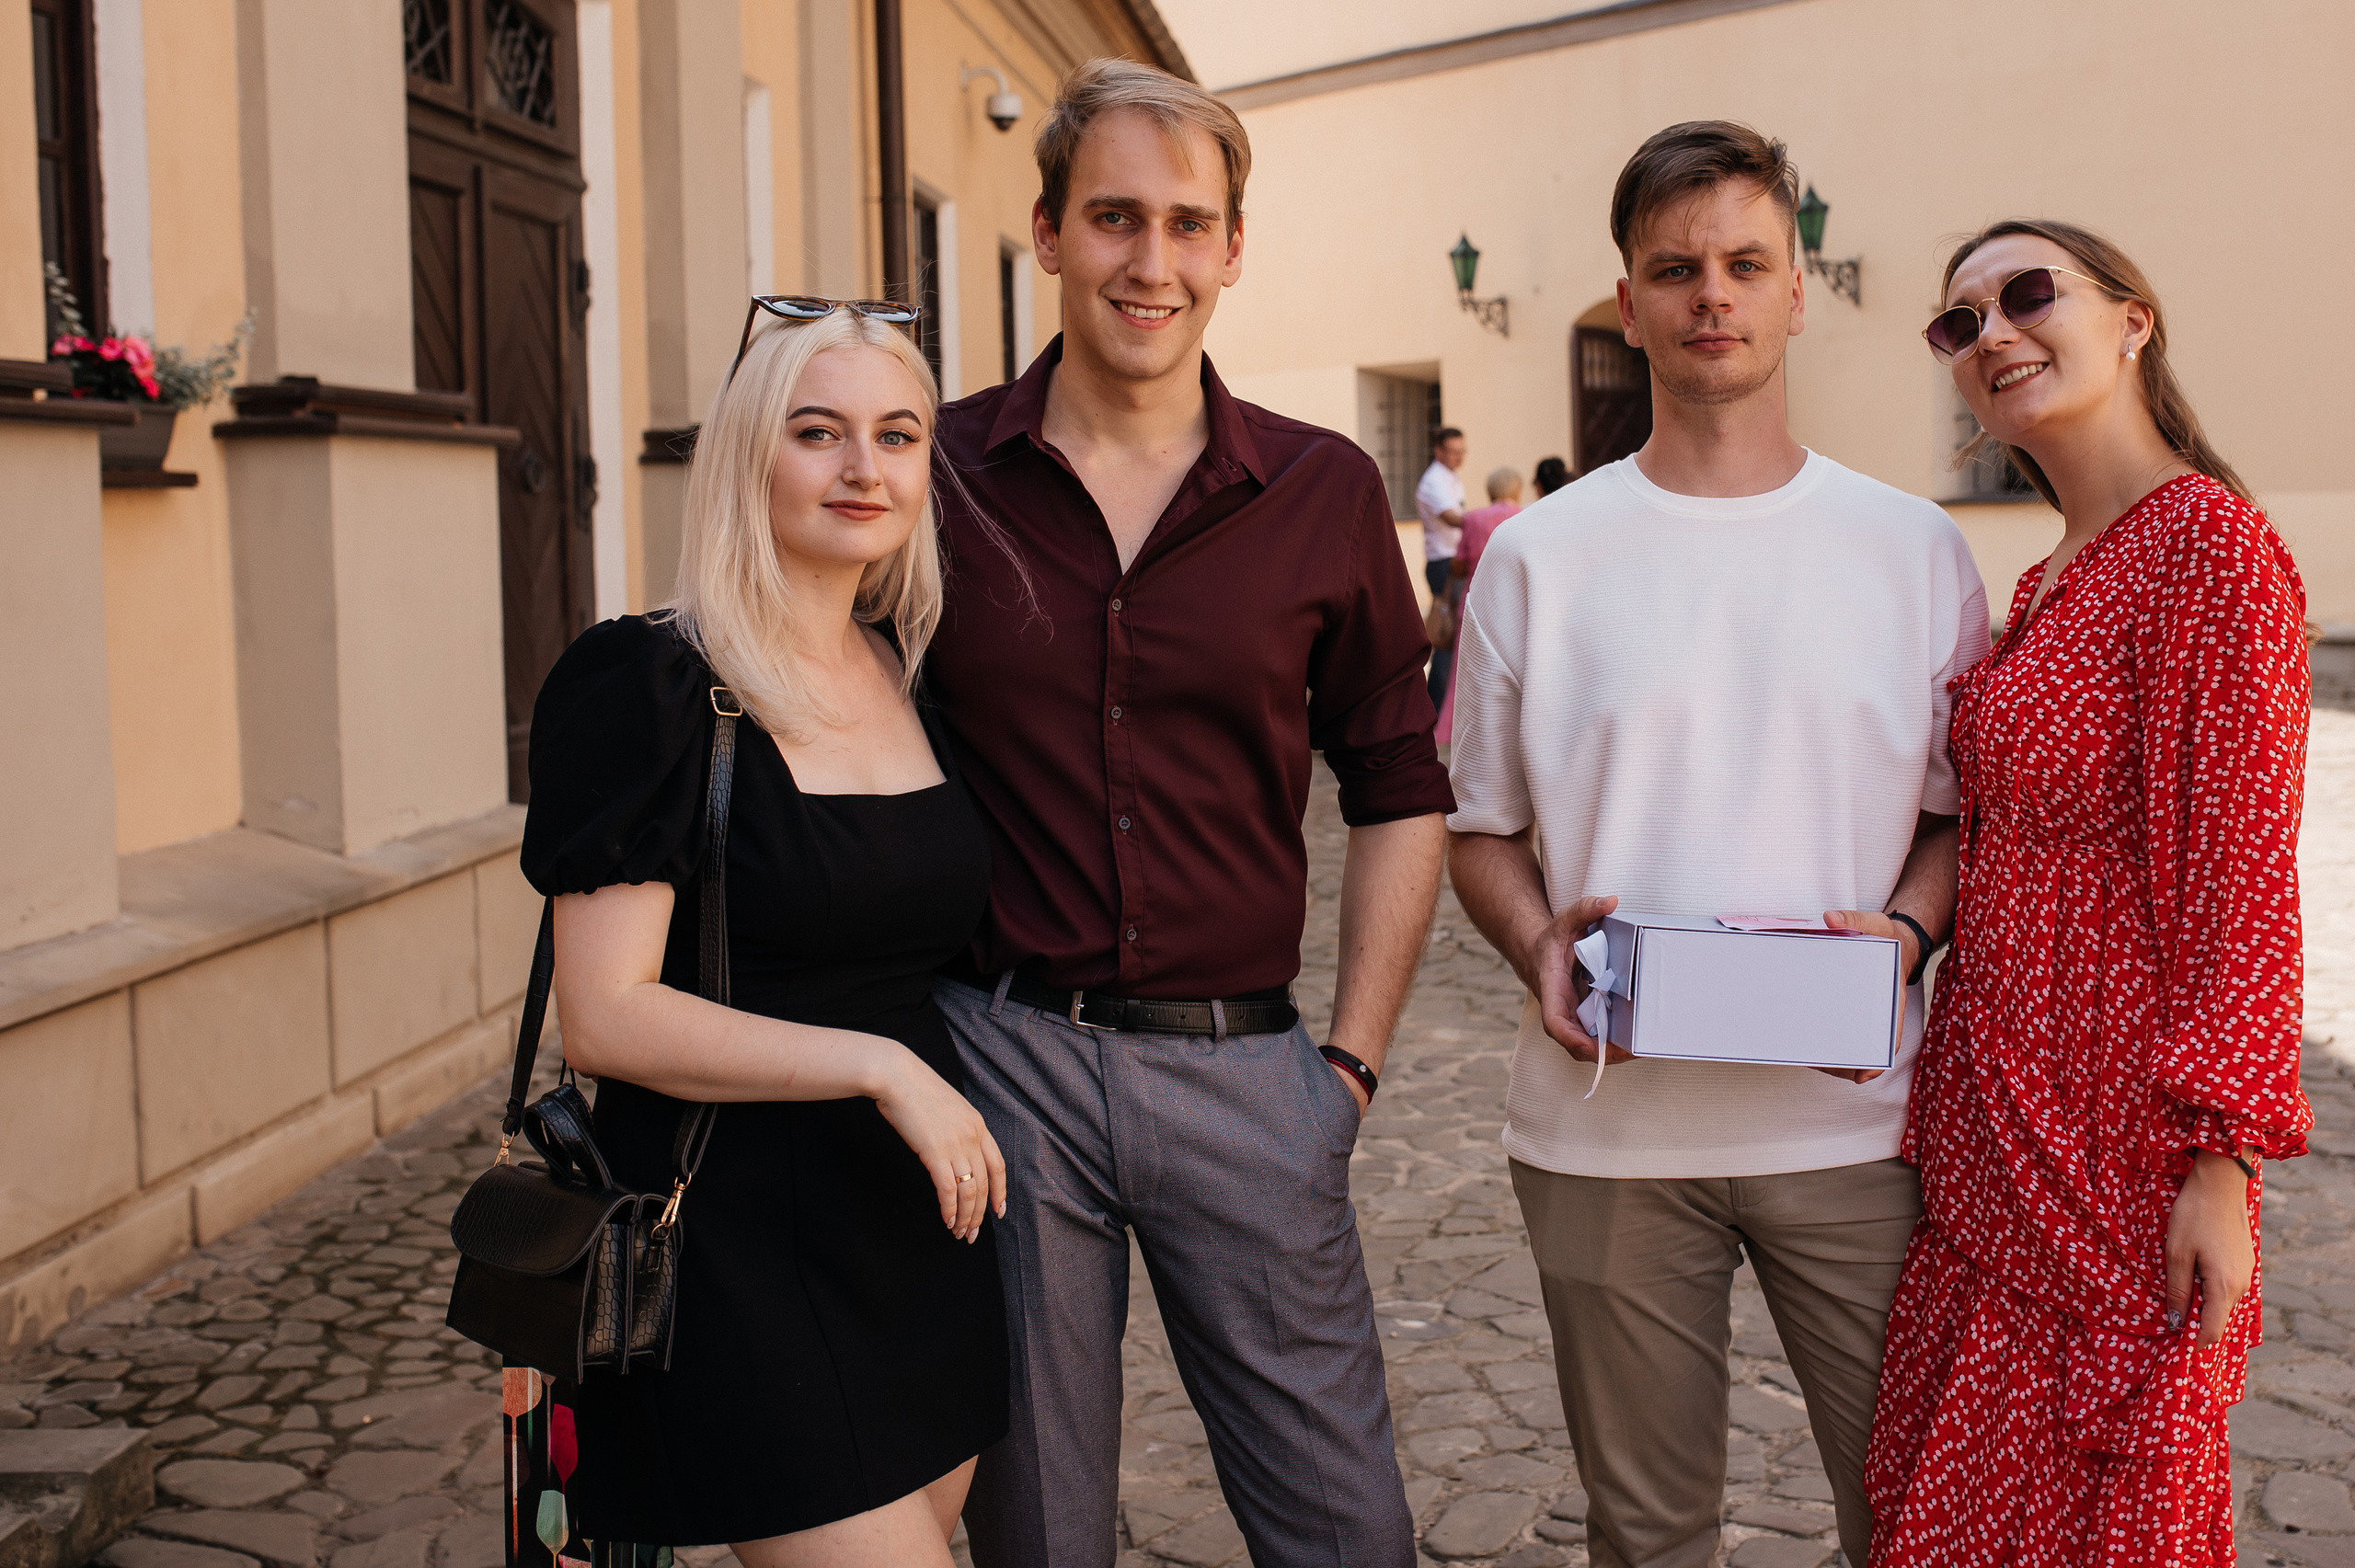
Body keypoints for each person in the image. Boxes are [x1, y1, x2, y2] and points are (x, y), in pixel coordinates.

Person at [924, 57, 1453, 1568]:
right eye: (1112, 218)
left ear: (1230, 247)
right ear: (1047, 232)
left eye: (1184, 225)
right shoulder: (941, 474)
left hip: (1248, 1074)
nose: (1148, 264)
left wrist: (1346, 1065)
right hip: (1005, 1061)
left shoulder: (1326, 488)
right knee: (1039, 1529)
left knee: (1343, 1525)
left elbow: (1401, 785)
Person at [1444, 120, 1989, 1568]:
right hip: (1605, 1136)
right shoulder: (1541, 557)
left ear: (1798, 287)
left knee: (1917, 1527)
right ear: (1628, 301)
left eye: (1747, 262)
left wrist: (1914, 933)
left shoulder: (1912, 547)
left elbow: (1955, 816)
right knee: (1649, 1538)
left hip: (1863, 1130)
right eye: (1675, 268)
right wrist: (1532, 938)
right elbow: (1480, 832)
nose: (1713, 295)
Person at [518, 303, 1009, 1566]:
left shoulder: (904, 664)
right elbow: (606, 1013)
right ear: (749, 455)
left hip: (910, 1239)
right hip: (729, 1240)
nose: (864, 468)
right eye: (818, 432)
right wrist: (881, 1066)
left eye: (898, 435)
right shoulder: (650, 684)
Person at [1863, 221, 2313, 1568]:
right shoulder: (2050, 576)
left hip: (2117, 1149)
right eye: (1957, 322)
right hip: (1995, 1127)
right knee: (1958, 1510)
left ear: (2133, 321)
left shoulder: (2209, 552)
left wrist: (2219, 1163)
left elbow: (2244, 885)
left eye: (2028, 293)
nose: (1991, 332)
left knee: (2098, 1514)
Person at [1434, 466, 1523, 743]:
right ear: (1517, 489)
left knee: (1465, 670)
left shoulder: (1472, 519)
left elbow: (1459, 564)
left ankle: (1456, 729)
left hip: (1475, 602)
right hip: (1514, 604)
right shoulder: (1526, 515)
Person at [1417, 426, 1469, 706]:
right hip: (1444, 564)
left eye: (1462, 452)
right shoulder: (1434, 480)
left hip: (1452, 561)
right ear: (1439, 451)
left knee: (1454, 637)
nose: (1459, 457)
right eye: (1453, 452)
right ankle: (1435, 709)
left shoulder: (1450, 478)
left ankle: (1442, 708)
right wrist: (1488, 519)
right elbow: (1452, 518)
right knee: (1447, 637)